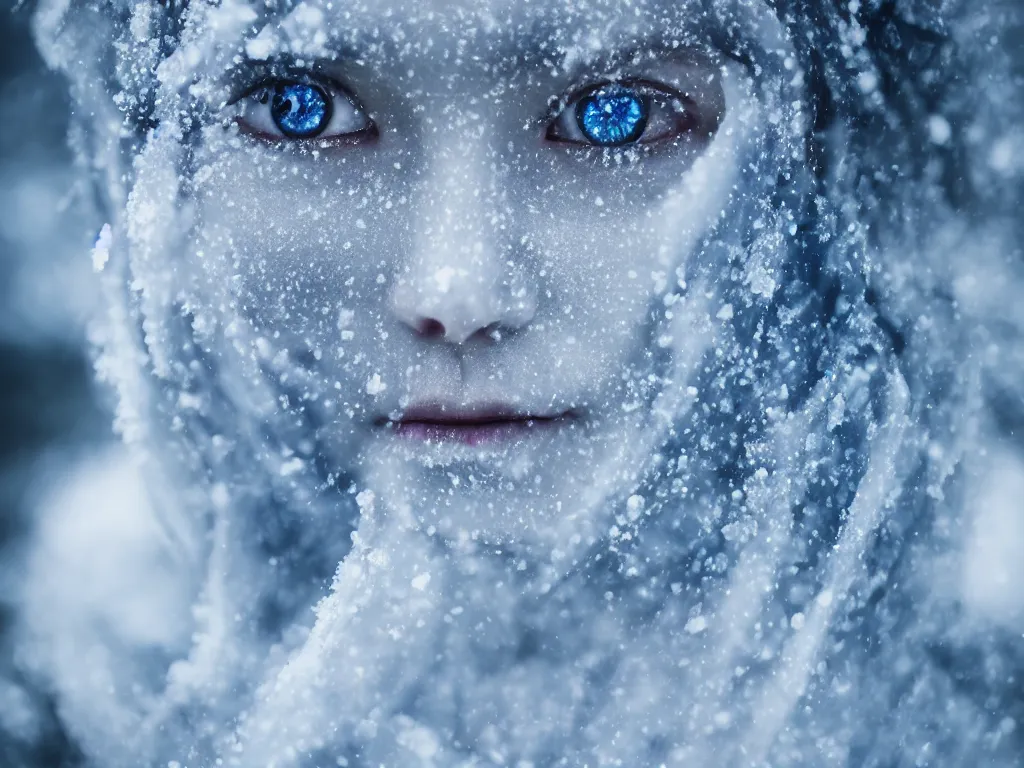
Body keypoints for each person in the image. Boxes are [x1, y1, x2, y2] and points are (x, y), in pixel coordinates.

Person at [4, 0, 1023, 765]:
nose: (454, 290)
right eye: (301, 108)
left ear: (842, 166)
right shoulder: (58, 697)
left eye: (614, 116)